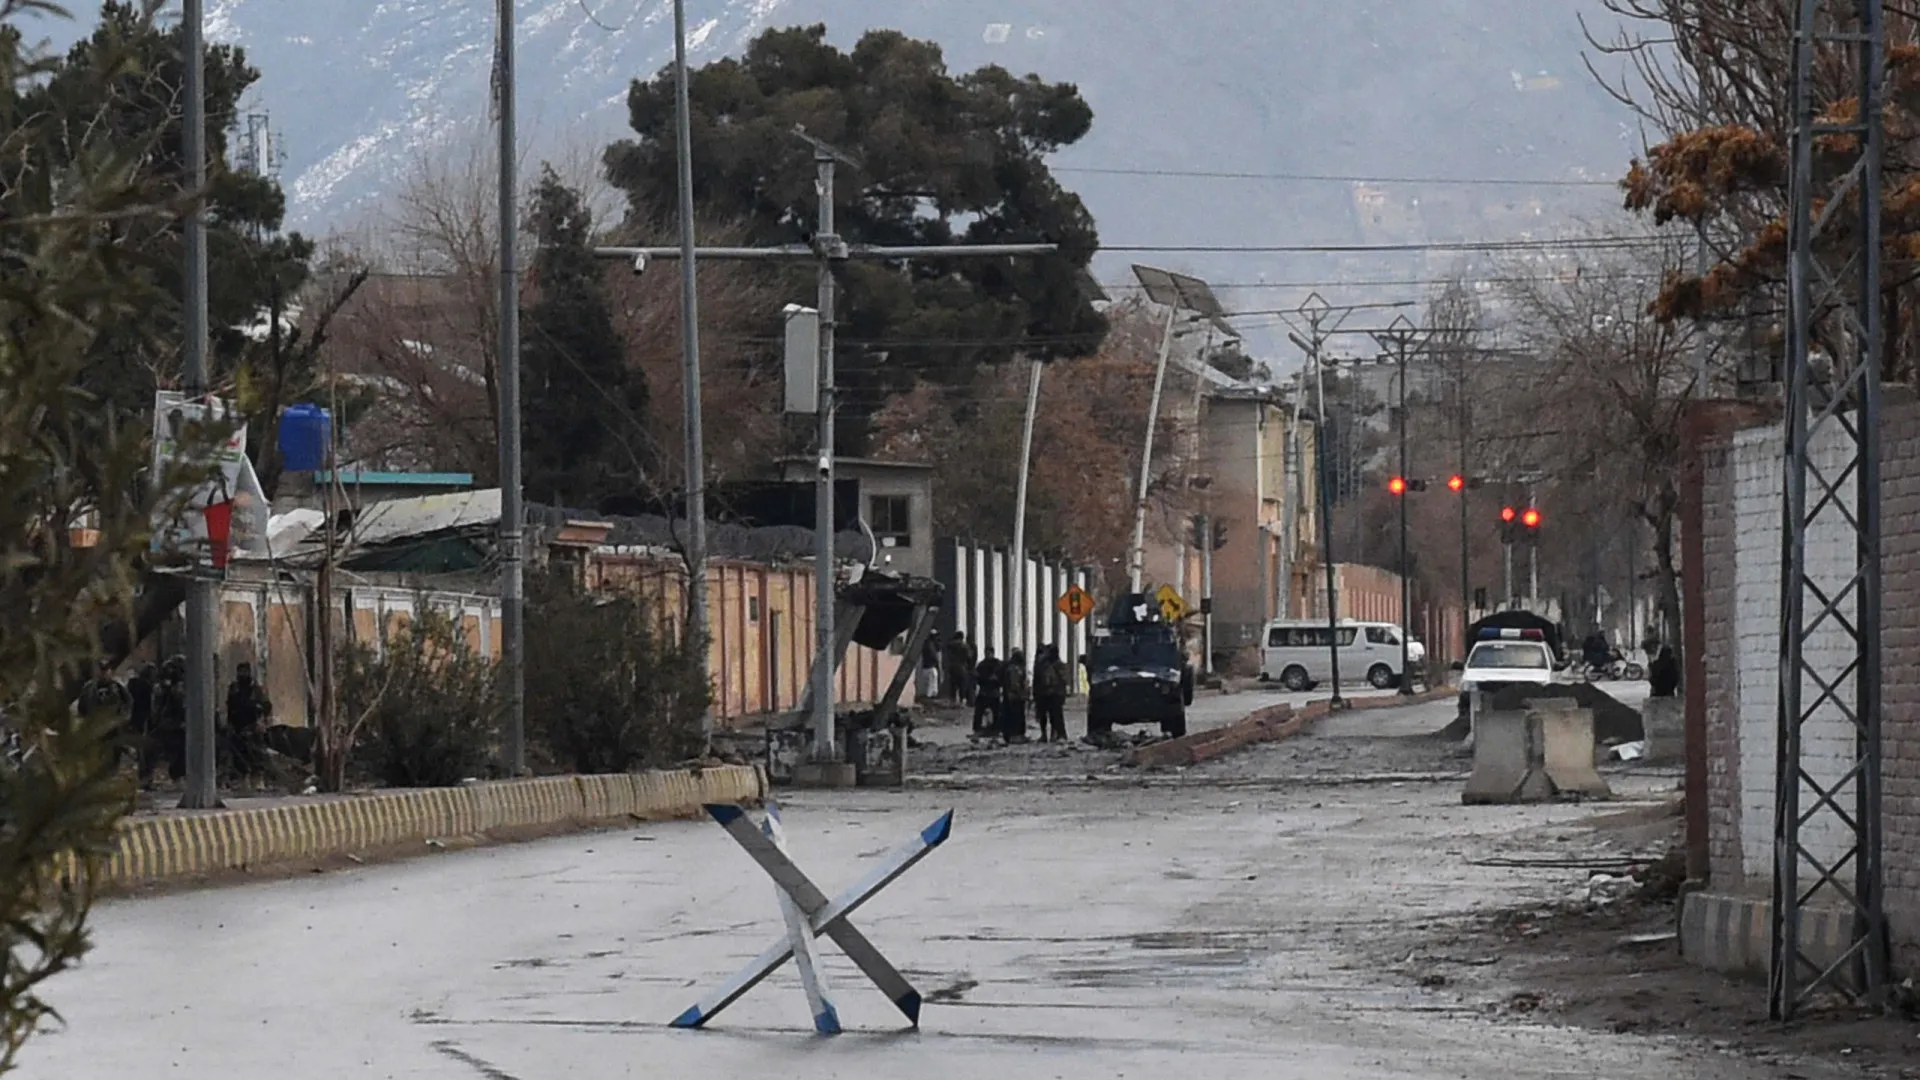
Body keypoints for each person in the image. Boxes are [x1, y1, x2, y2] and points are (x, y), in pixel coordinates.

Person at [224, 662, 271, 780]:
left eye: (245, 671)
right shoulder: (234, 689)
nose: (243, 674)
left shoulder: (256, 690)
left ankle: (258, 779)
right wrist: (229, 724)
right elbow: (230, 707)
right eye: (240, 672)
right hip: (237, 726)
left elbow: (266, 706)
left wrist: (261, 721)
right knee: (238, 754)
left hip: (253, 725)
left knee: (256, 754)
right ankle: (243, 780)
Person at [1032, 644, 1069, 743]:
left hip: (1053, 694)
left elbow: (1063, 679)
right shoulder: (1044, 664)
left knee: (1055, 715)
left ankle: (1056, 734)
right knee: (1047, 716)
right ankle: (1051, 735)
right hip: (1046, 694)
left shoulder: (1057, 665)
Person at [999, 648, 1029, 743]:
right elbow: (1015, 684)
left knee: (1009, 716)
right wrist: (1022, 694)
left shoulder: (1009, 667)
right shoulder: (1015, 669)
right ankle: (1016, 736)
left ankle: (1010, 735)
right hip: (1015, 697)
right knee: (1016, 716)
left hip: (1009, 696)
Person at [972, 649, 1003, 735]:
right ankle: (978, 728)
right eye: (986, 653)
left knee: (996, 712)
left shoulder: (997, 664)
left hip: (993, 692)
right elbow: (976, 676)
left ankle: (996, 728)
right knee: (979, 711)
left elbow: (1001, 676)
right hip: (985, 691)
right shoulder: (982, 664)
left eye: (989, 653)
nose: (987, 655)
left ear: (993, 653)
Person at [944, 631, 977, 706]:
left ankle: (952, 700)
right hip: (962, 667)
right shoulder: (965, 646)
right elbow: (970, 657)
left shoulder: (951, 644)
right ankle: (962, 701)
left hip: (952, 666)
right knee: (962, 684)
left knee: (953, 684)